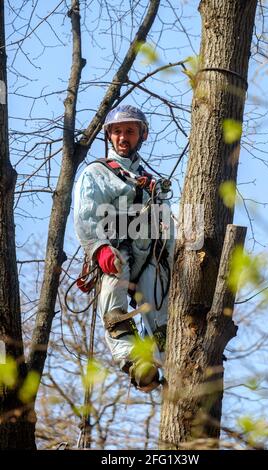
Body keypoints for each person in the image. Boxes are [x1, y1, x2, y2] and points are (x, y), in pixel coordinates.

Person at [74, 105, 174, 392]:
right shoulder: (97, 173)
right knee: (112, 301)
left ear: (142, 135)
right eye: (117, 131)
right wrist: (99, 249)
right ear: (109, 136)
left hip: (150, 253)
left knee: (159, 307)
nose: (122, 137)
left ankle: (165, 359)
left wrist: (175, 258)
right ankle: (135, 362)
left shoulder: (153, 184)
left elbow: (168, 225)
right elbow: (85, 214)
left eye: (129, 131)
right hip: (115, 250)